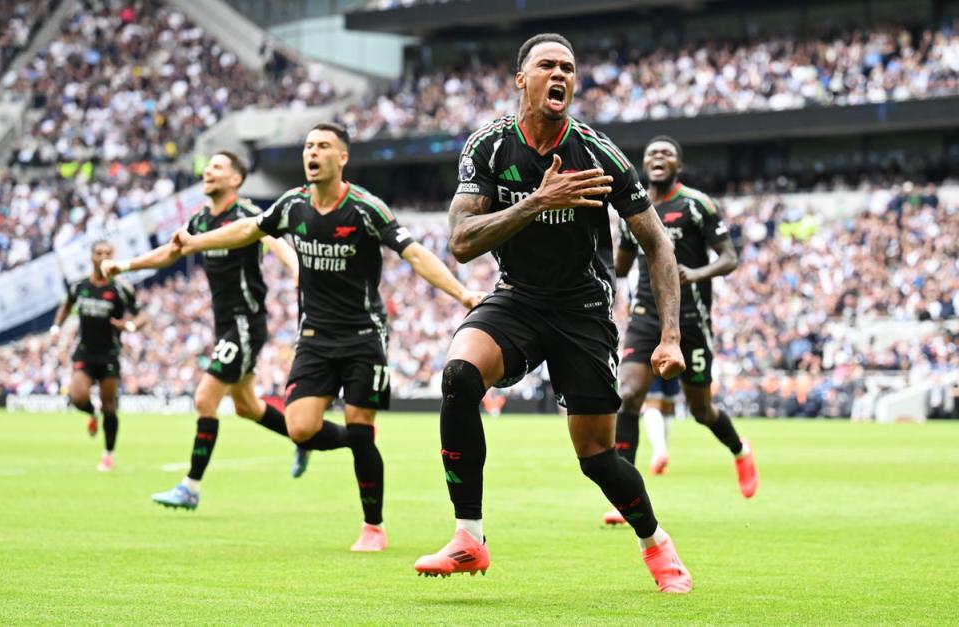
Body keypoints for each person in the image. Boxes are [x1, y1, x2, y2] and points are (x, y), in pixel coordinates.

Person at [412, 34, 693, 593]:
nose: (559, 74)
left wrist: (669, 336)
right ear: (523, 79)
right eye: (547, 65)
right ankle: (469, 537)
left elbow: (657, 244)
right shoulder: (488, 147)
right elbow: (462, 241)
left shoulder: (597, 151)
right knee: (459, 375)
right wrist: (537, 201)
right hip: (517, 297)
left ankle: (656, 544)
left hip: (582, 310)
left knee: (595, 456)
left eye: (568, 67)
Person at [170, 123, 484, 552]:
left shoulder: (365, 208)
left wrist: (463, 292)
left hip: (363, 337)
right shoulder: (292, 205)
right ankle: (334, 447)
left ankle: (373, 526)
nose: (311, 152)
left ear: (342, 158)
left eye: (322, 146)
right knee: (300, 428)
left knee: (361, 426)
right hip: (314, 338)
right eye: (308, 146)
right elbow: (249, 230)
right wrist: (196, 241)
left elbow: (413, 254)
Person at [102, 151, 300, 509]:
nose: (208, 172)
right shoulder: (200, 219)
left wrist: (298, 271)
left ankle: (190, 486)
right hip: (224, 323)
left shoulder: (247, 214)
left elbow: (276, 241)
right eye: (207, 168)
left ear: (236, 179)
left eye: (218, 167)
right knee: (247, 406)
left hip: (244, 322)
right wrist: (124, 265)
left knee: (205, 398)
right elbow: (171, 252)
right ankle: (303, 435)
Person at [607, 136, 758, 528]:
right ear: (644, 165)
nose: (658, 158)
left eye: (666, 154)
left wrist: (697, 274)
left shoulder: (697, 204)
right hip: (645, 315)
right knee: (628, 395)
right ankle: (626, 497)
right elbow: (620, 268)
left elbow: (729, 257)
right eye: (651, 153)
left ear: (679, 165)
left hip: (691, 319)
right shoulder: (632, 208)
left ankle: (740, 450)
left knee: (701, 409)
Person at [50, 240, 147, 471]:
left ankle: (108, 454)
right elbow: (66, 306)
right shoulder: (79, 286)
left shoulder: (121, 289)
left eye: (107, 253)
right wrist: (56, 328)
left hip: (109, 355)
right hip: (85, 352)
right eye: (98, 253)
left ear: (113, 256)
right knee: (77, 397)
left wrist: (130, 326)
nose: (103, 256)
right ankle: (90, 413)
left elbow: (143, 316)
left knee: (110, 406)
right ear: (91, 257)